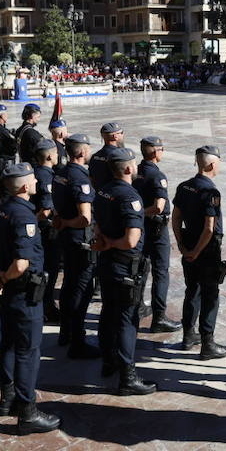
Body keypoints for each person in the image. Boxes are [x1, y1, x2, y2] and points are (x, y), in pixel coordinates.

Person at [0, 162, 60, 433]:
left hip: (8, 291)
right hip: (24, 292)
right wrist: (4, 277)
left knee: (8, 343)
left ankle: (7, 398)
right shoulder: (24, 215)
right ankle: (27, 411)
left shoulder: (1, 209)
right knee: (28, 351)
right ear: (26, 186)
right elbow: (21, 263)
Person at [92, 148, 155, 395]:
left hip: (107, 263)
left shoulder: (103, 191)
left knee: (109, 312)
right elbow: (130, 240)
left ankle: (109, 360)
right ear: (128, 169)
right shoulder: (130, 197)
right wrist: (111, 243)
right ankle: (127, 376)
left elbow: (96, 224)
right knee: (128, 320)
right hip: (125, 264)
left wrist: (103, 241)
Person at [171, 146, 226, 361]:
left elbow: (176, 217)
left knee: (192, 289)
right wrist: (197, 251)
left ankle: (188, 336)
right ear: (212, 164)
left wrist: (181, 245)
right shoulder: (210, 192)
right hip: (206, 249)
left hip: (188, 244)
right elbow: (209, 227)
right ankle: (208, 342)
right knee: (210, 294)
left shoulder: (184, 187)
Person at [52, 134, 100, 358]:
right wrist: (67, 222)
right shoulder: (80, 178)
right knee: (82, 289)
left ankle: (65, 332)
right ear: (81, 152)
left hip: (66, 238)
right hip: (79, 239)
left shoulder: (60, 173)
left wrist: (61, 222)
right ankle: (77, 341)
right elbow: (85, 218)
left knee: (69, 285)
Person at [134, 136, 180, 333]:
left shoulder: (137, 171)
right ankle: (159, 317)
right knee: (161, 272)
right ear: (155, 152)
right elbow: (159, 207)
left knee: (142, 267)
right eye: (162, 149)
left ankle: (138, 308)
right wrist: (142, 212)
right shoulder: (156, 175)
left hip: (141, 228)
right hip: (156, 229)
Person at [29, 138, 61, 323]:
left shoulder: (35, 171)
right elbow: (46, 210)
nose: (57, 156)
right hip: (47, 231)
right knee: (49, 270)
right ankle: (47, 306)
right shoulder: (47, 176)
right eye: (56, 153)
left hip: (40, 230)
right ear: (49, 155)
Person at [88, 122, 126, 189]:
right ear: (115, 136)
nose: (123, 135)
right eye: (121, 133)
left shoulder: (95, 156)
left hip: (100, 194)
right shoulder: (119, 156)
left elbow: (91, 178)